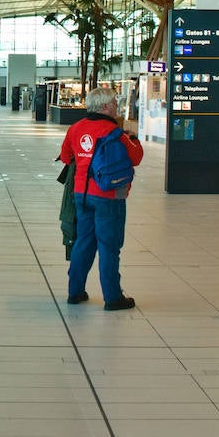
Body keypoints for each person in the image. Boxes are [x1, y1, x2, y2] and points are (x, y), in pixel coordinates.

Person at [58, 85, 144, 310]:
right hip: (109, 195)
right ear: (105, 106)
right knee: (109, 246)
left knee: (83, 242)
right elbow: (135, 158)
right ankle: (113, 297)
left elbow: (67, 157)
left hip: (81, 194)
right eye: (114, 103)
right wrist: (135, 140)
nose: (117, 106)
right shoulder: (115, 132)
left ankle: (75, 292)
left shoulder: (75, 128)